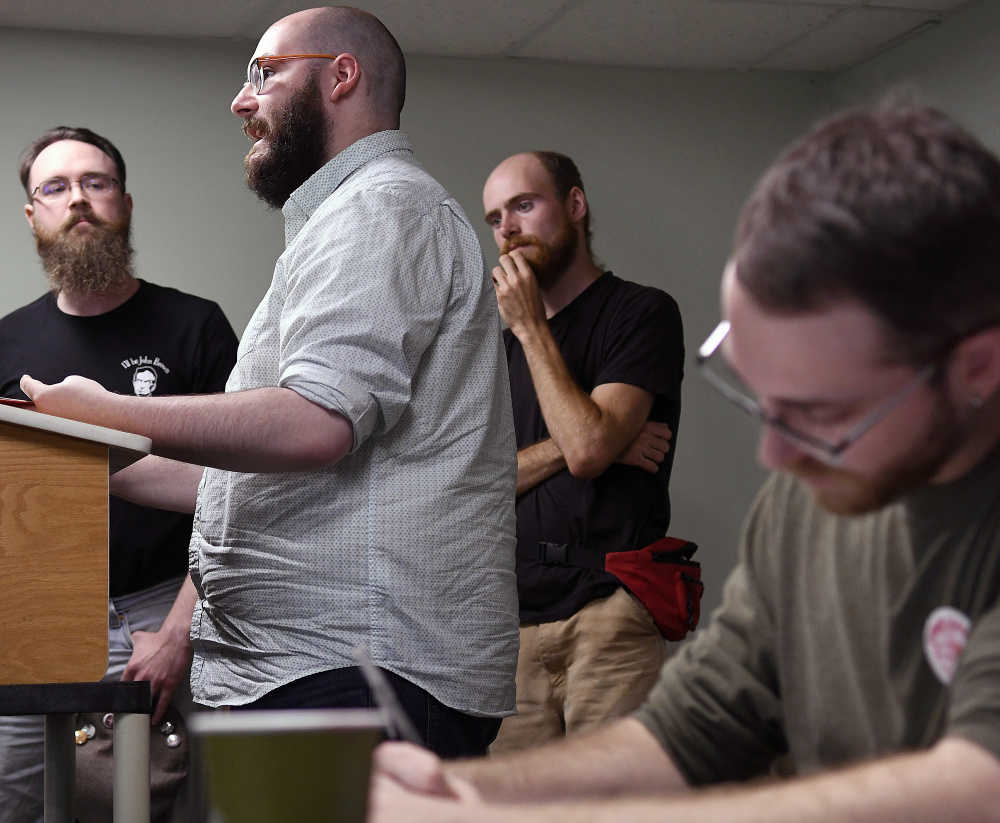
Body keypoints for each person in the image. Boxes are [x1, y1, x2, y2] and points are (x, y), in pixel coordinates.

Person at [371, 101, 1000, 822]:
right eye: (760, 401)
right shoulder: (799, 508)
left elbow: (979, 786)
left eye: (821, 413)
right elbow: (690, 727)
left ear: (977, 366)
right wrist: (461, 791)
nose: (775, 455)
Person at [20, 7, 519, 758]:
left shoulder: (379, 207)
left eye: (265, 72)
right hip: (316, 667)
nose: (241, 100)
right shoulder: (344, 220)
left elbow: (316, 424)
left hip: (361, 668)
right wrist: (90, 455)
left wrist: (111, 411)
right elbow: (251, 475)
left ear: (341, 75)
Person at [0, 126, 238, 823]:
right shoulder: (5, 341)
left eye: (95, 183)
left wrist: (177, 632)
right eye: (56, 187)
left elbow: (237, 495)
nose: (77, 200)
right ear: (33, 214)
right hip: (37, 618)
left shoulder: (196, 327)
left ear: (124, 203)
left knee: (159, 804)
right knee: (17, 800)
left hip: (165, 608)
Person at [481, 151, 683, 751]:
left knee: (614, 807)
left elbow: (591, 448)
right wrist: (573, 445)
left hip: (609, 611)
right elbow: (477, 484)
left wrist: (529, 326)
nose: (507, 229)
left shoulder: (640, 311)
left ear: (574, 205)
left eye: (523, 204)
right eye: (494, 218)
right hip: (510, 625)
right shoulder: (496, 352)